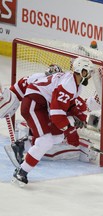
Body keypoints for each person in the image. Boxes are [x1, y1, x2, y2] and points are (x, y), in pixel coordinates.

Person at [12, 56, 95, 186]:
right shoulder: (68, 84)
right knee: (45, 140)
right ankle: (21, 172)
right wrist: (70, 128)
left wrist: (80, 117)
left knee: (57, 137)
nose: (90, 76)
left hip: (40, 104)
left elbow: (70, 104)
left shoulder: (74, 84)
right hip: (33, 104)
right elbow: (56, 115)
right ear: (82, 71)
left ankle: (23, 146)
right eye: (88, 72)